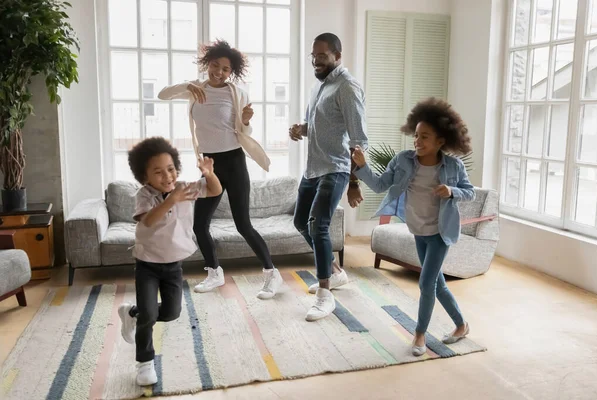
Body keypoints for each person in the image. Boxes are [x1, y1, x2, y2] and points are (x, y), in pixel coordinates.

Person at [158, 40, 283, 300]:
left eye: (226, 69)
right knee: (200, 224)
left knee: (243, 225)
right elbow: (163, 94)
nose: (219, 72)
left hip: (234, 162)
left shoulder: (237, 93)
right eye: (215, 65)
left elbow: (243, 131)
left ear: (231, 72)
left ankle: (272, 274)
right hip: (209, 165)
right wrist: (186, 85)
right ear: (207, 64)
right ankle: (214, 272)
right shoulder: (195, 89)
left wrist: (246, 121)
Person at [352, 97, 474, 356]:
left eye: (425, 137)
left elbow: (470, 193)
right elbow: (379, 185)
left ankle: (420, 334)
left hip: (441, 233)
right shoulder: (403, 160)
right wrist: (362, 167)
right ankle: (461, 325)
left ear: (441, 141)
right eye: (416, 136)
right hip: (418, 230)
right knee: (437, 285)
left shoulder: (453, 166)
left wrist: (451, 190)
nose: (417, 141)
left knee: (426, 284)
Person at [118, 137, 222, 386]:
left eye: (171, 169)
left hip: (174, 264)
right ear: (145, 177)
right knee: (149, 316)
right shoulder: (144, 195)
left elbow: (216, 190)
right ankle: (144, 363)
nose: (167, 175)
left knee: (172, 312)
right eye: (158, 171)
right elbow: (149, 221)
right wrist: (171, 200)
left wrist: (209, 174)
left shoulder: (185, 188)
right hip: (147, 265)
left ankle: (132, 312)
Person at [289, 33, 368, 321]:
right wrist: (302, 128)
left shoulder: (347, 87)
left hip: (335, 168)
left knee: (318, 225)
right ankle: (335, 273)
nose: (316, 61)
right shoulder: (319, 86)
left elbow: (359, 140)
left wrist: (354, 182)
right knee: (301, 222)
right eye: (314, 56)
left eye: (322, 56)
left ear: (337, 55)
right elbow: (323, 125)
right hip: (313, 168)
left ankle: (325, 296)